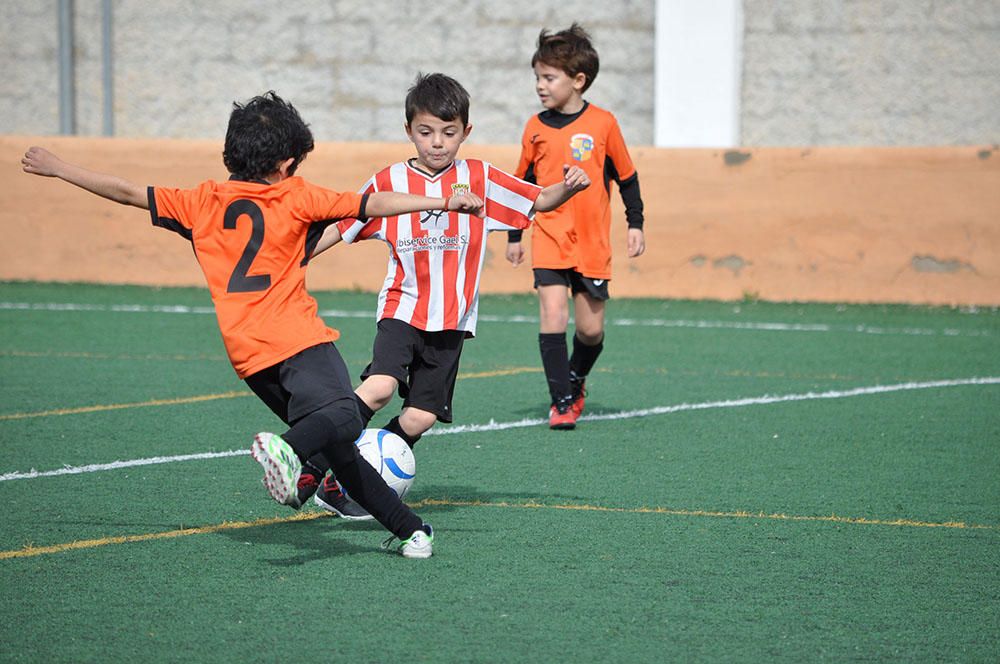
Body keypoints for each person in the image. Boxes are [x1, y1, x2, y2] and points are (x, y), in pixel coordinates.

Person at [20, 91, 487, 558]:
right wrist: (443, 201)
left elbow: (126, 192)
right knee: (345, 415)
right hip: (298, 341)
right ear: (286, 163)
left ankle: (411, 531)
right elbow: (371, 204)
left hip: (249, 357)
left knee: (342, 446)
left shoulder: (200, 201)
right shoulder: (297, 196)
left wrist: (60, 167)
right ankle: (288, 450)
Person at [298, 73, 591, 519]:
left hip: (452, 321)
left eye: (449, 133)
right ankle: (310, 465)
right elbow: (341, 226)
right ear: (409, 131)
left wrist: (568, 186)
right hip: (403, 308)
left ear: (465, 132)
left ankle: (344, 482)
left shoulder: (480, 178)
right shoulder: (388, 181)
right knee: (379, 388)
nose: (437, 143)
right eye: (426, 132)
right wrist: (291, 261)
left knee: (420, 418)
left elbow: (540, 200)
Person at [505, 24, 646, 430]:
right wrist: (515, 234)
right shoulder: (534, 127)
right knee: (552, 315)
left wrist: (634, 224)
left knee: (590, 330)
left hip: (591, 244)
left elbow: (627, 177)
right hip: (548, 235)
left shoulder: (603, 124)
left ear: (578, 80)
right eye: (537, 77)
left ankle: (577, 377)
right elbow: (523, 185)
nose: (540, 86)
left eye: (549, 77)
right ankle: (561, 401)